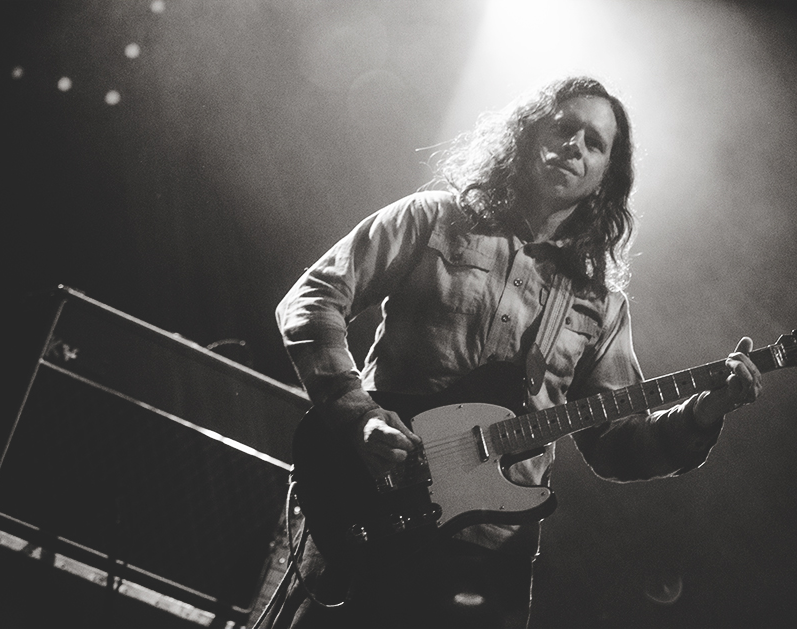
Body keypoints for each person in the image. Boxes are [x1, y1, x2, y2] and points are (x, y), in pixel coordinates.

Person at [270, 76, 762, 629]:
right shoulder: (432, 219)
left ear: (604, 179)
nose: (576, 145)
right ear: (526, 137)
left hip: (488, 555)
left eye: (595, 143)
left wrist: (703, 412)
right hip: (366, 502)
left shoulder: (602, 304)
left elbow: (617, 446)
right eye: (564, 128)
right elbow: (313, 298)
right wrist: (358, 417)